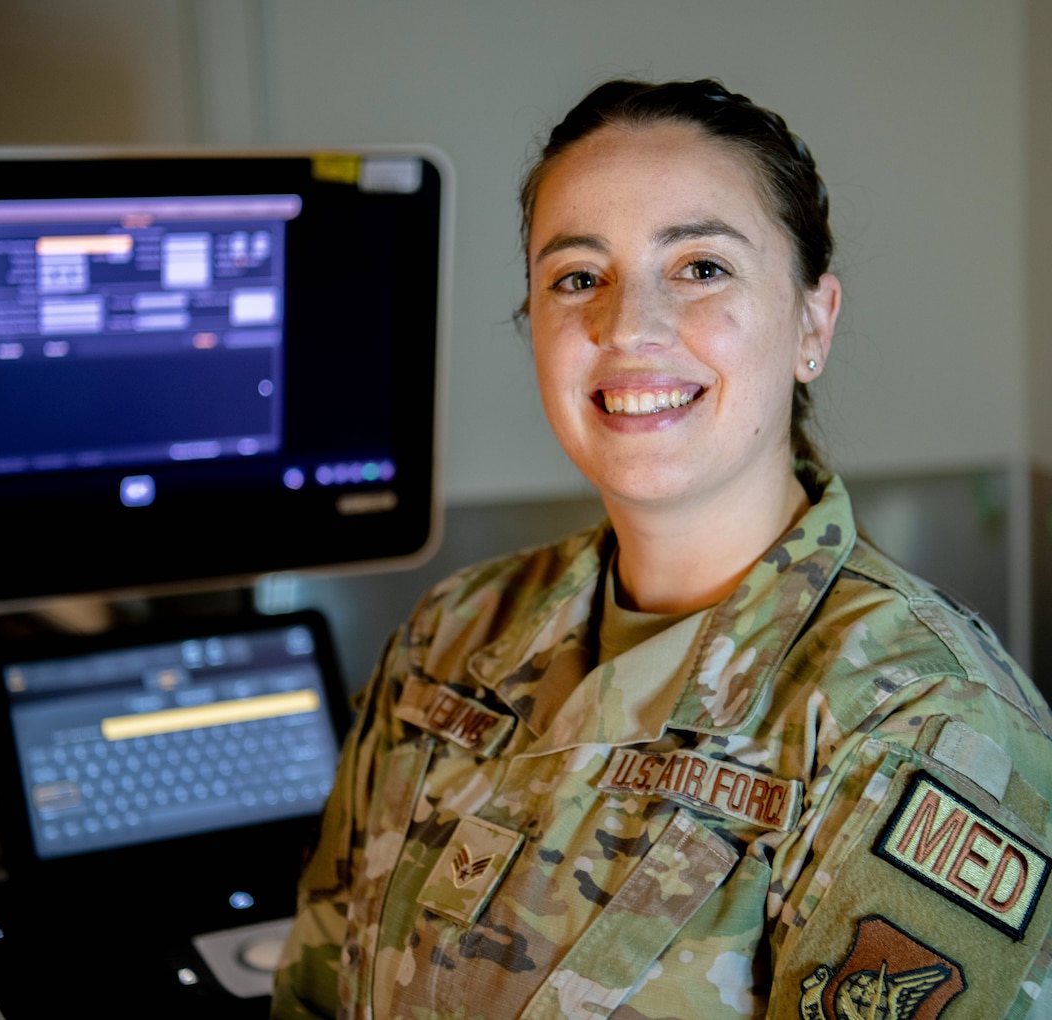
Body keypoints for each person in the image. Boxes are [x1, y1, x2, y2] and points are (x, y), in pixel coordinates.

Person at [271, 78, 1052, 1019]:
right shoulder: (449, 638)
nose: (626, 326)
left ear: (813, 321)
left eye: (701, 267)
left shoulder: (924, 725)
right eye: (576, 277)